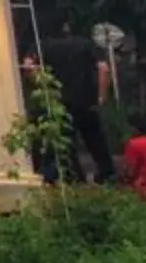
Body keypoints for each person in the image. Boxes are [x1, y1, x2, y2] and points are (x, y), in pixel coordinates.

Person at [41, 14, 112, 183]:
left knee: (66, 141)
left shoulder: (45, 45)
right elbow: (104, 68)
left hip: (59, 101)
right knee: (95, 139)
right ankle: (107, 173)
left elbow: (29, 65)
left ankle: (74, 177)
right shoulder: (85, 44)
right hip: (86, 101)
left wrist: (44, 89)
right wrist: (101, 96)